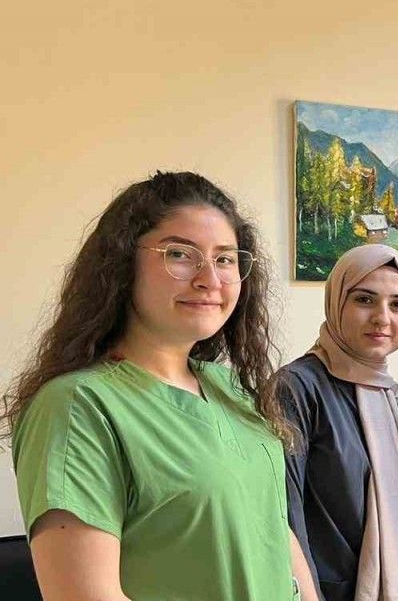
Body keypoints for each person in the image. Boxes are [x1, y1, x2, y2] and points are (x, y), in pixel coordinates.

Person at [5, 170, 318, 601]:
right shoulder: (79, 406)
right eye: (180, 254)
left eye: (225, 259)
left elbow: (274, 527)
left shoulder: (231, 388)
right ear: (121, 265)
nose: (210, 279)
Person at [273, 244, 398, 600]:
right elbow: (282, 512)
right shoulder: (296, 388)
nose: (382, 318)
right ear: (336, 302)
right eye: (365, 300)